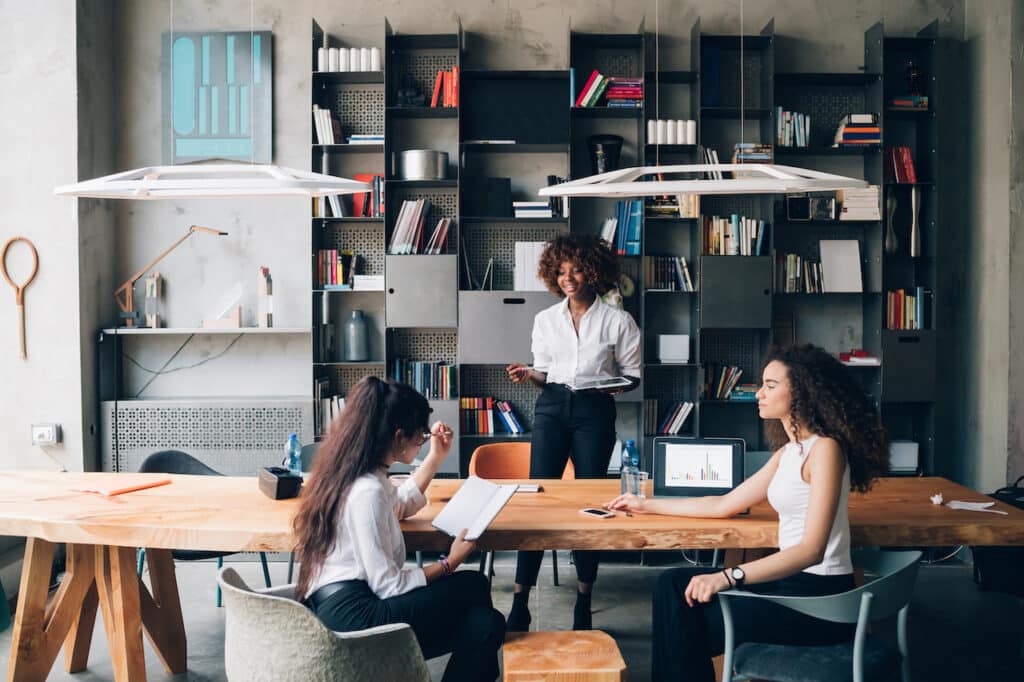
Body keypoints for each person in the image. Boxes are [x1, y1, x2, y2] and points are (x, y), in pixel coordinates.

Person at [605, 343, 889, 682]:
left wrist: (728, 576)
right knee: (671, 585)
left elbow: (811, 550)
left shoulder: (826, 450)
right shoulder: (790, 453)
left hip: (821, 602)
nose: (759, 394)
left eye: (771, 385)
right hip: (795, 588)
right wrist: (645, 504)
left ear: (803, 392)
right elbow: (724, 504)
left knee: (687, 612)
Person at [292, 376, 505, 682]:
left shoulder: (358, 473)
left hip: (351, 603)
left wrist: (435, 458)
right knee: (472, 585)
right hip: (353, 617)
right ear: (398, 436)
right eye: (421, 437)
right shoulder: (366, 491)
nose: (423, 441)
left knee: (485, 623)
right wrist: (449, 563)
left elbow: (400, 504)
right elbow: (388, 585)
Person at [505, 234, 641, 632]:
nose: (569, 278)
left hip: (594, 411)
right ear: (554, 275)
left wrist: (611, 386)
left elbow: (631, 377)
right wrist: (528, 374)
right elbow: (544, 374)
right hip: (551, 406)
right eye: (562, 272)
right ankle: (520, 598)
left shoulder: (619, 321)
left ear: (593, 271)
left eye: (577, 269)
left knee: (590, 499)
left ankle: (584, 596)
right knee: (538, 498)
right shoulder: (545, 320)